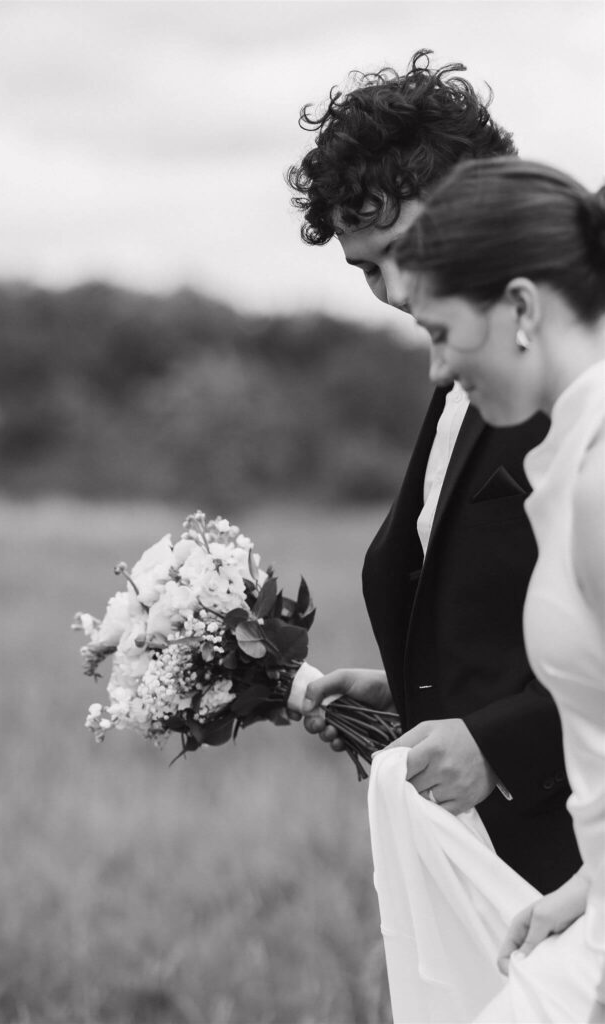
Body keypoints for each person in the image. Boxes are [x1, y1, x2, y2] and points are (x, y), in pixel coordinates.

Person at [286, 50, 581, 893]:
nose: (397, 291)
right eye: (367, 269)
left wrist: (501, 744)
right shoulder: (458, 379)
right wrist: (415, 690)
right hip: (477, 865)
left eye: (405, 249)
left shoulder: (577, 380)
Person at [384, 156, 605, 1023]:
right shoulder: (566, 463)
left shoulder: (597, 481)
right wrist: (587, 892)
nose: (438, 370)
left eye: (443, 331)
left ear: (518, 306)